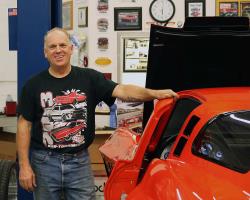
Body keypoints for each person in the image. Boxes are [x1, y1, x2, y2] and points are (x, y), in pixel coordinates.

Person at [17, 27, 178, 200]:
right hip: (44, 163)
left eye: (63, 45)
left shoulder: (90, 78)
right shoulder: (33, 85)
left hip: (79, 163)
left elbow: (122, 90)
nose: (58, 50)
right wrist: (24, 165)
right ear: (45, 53)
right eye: (52, 46)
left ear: (71, 48)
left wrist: (154, 94)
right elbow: (23, 125)